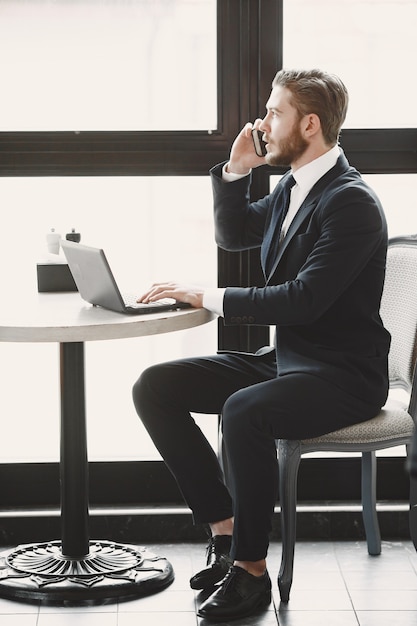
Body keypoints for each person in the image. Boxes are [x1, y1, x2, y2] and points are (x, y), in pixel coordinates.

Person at [132, 68, 391, 622]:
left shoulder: (351, 204)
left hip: (343, 375)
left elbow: (302, 300)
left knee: (243, 411)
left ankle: (251, 572)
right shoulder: (293, 188)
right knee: (156, 387)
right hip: (290, 362)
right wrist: (235, 170)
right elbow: (233, 235)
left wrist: (207, 294)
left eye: (275, 112)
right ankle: (226, 534)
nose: (262, 123)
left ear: (311, 124)